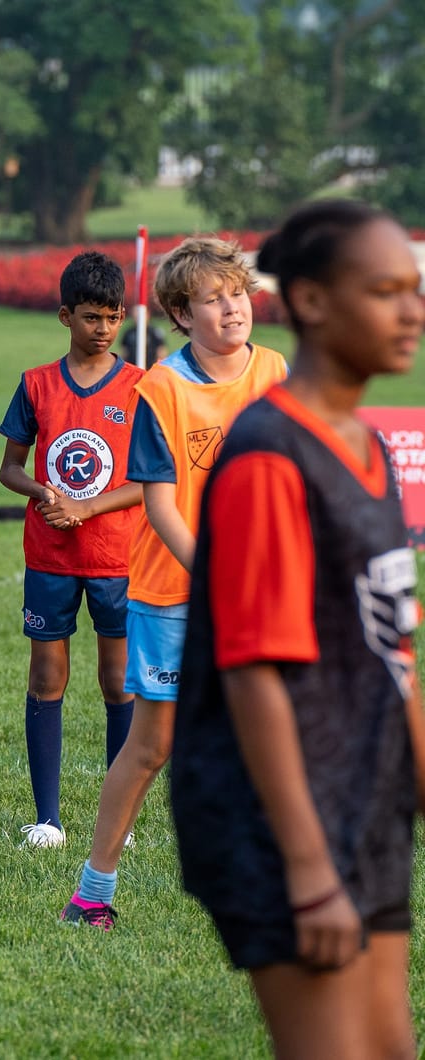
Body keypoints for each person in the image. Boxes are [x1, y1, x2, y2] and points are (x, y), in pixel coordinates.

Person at [170, 200, 425, 1057]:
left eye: (415, 289)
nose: (412, 310)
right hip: (283, 823)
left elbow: (393, 651)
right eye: (384, 291)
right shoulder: (271, 455)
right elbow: (252, 672)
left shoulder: (366, 445)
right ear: (312, 302)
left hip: (365, 802)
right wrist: (308, 870)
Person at [61, 236, 287, 929]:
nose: (230, 309)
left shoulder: (275, 370)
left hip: (259, 591)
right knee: (152, 746)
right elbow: (159, 505)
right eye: (211, 300)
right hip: (175, 593)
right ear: (182, 316)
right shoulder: (160, 386)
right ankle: (91, 893)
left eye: (236, 294)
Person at [0, 251, 144, 848]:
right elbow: (9, 469)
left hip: (115, 558)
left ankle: (120, 820)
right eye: (90, 317)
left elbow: (148, 482)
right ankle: (48, 818)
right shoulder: (36, 384)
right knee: (46, 677)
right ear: (65, 316)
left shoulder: (141, 387)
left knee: (119, 683)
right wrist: (42, 493)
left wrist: (87, 507)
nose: (102, 328)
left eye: (112, 317)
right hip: (50, 558)